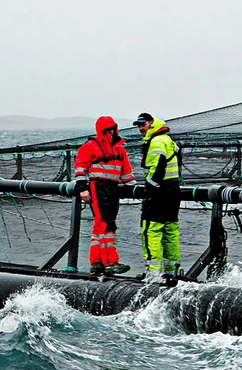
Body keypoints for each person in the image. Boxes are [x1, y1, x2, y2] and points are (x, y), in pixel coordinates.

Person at [73, 116, 135, 275]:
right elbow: (80, 167)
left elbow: (127, 173)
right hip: (98, 186)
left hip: (112, 188)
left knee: (101, 224)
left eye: (112, 129)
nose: (110, 132)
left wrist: (135, 189)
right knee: (106, 224)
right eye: (107, 130)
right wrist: (82, 188)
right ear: (101, 131)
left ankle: (96, 262)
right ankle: (111, 262)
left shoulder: (120, 148)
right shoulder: (90, 146)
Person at [133, 112, 182, 279]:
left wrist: (151, 186)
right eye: (139, 125)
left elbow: (158, 167)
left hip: (159, 192)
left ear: (152, 123)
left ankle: (152, 273)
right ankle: (171, 271)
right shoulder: (168, 139)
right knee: (170, 230)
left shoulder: (156, 141)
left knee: (150, 229)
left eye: (143, 124)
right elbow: (177, 157)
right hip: (173, 190)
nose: (140, 128)